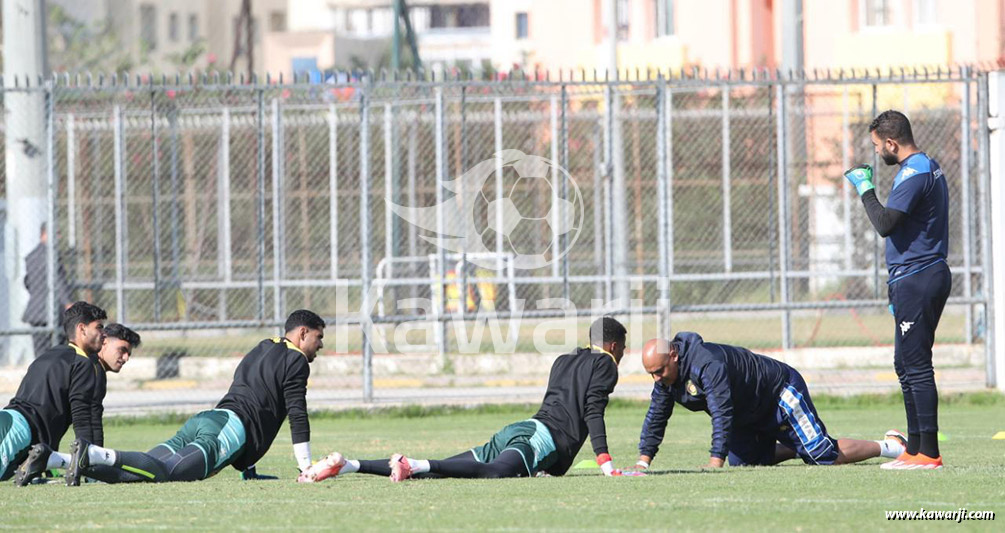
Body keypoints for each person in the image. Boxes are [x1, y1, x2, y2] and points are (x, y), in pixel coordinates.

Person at [300, 316, 632, 483]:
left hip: (522, 429)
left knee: (451, 468)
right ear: (614, 346)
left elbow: (560, 404)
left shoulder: (565, 359)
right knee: (493, 474)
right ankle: (412, 464)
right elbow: (591, 410)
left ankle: (349, 465)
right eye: (624, 349)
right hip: (538, 438)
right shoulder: (605, 364)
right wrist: (606, 463)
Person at [65, 309, 325, 485]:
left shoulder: (266, 346)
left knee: (144, 471)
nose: (321, 345)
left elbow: (251, 396)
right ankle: (97, 456)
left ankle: (90, 470)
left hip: (209, 419)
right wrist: (306, 468)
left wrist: (249, 467)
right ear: (303, 333)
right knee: (164, 474)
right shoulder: (297, 360)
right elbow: (296, 413)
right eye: (318, 337)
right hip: (228, 430)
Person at [843, 110, 951, 469]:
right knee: (904, 363)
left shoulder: (915, 171)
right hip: (912, 279)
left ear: (892, 142)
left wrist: (864, 187)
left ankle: (929, 453)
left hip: (919, 278)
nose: (877, 153)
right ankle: (915, 449)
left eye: (878, 146)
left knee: (916, 365)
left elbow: (886, 223)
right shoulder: (925, 166)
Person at [631, 335, 907, 471]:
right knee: (746, 463)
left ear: (674, 357)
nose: (656, 378)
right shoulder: (665, 379)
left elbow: (720, 410)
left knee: (822, 455)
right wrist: (643, 463)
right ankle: (799, 445)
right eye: (651, 374)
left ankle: (892, 445)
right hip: (746, 413)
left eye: (659, 371)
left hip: (778, 392)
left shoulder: (707, 363)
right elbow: (656, 416)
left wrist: (715, 462)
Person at [14, 323, 141, 485]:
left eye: (129, 354)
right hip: (31, 439)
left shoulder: (62, 354)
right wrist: (94, 466)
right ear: (104, 342)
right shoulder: (92, 368)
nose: (126, 358)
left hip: (22, 432)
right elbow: (90, 421)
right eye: (122, 350)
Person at [0, 301, 106, 485]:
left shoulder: (50, 354)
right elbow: (82, 417)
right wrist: (91, 466)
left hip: (8, 418)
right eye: (99, 327)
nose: (104, 334)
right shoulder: (82, 363)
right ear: (82, 329)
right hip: (19, 430)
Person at [22, 223, 74, 358]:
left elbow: (27, 282)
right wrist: (68, 302)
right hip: (53, 310)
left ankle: (41, 376)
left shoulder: (31, 256)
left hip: (35, 311)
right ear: (45, 234)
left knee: (40, 351)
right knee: (60, 349)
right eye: (56, 233)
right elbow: (58, 281)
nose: (59, 236)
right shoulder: (52, 255)